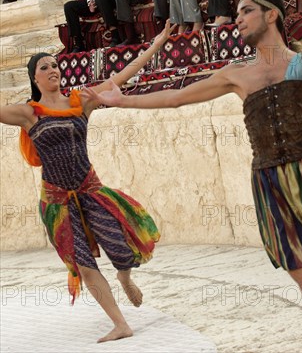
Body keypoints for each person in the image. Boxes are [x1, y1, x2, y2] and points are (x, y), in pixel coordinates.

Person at [82, 0, 302, 348]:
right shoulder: (236, 74)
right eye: (237, 13)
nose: (238, 19)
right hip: (271, 188)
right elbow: (177, 97)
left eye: (246, 11)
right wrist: (122, 101)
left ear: (271, 14)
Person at [0, 21, 174, 343]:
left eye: (55, 64)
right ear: (34, 77)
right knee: (84, 264)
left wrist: (158, 42)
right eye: (44, 67)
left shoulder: (82, 101)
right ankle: (120, 323)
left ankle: (124, 276)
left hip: (90, 189)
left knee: (120, 248)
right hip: (56, 201)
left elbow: (121, 77)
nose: (53, 69)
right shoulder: (29, 113)